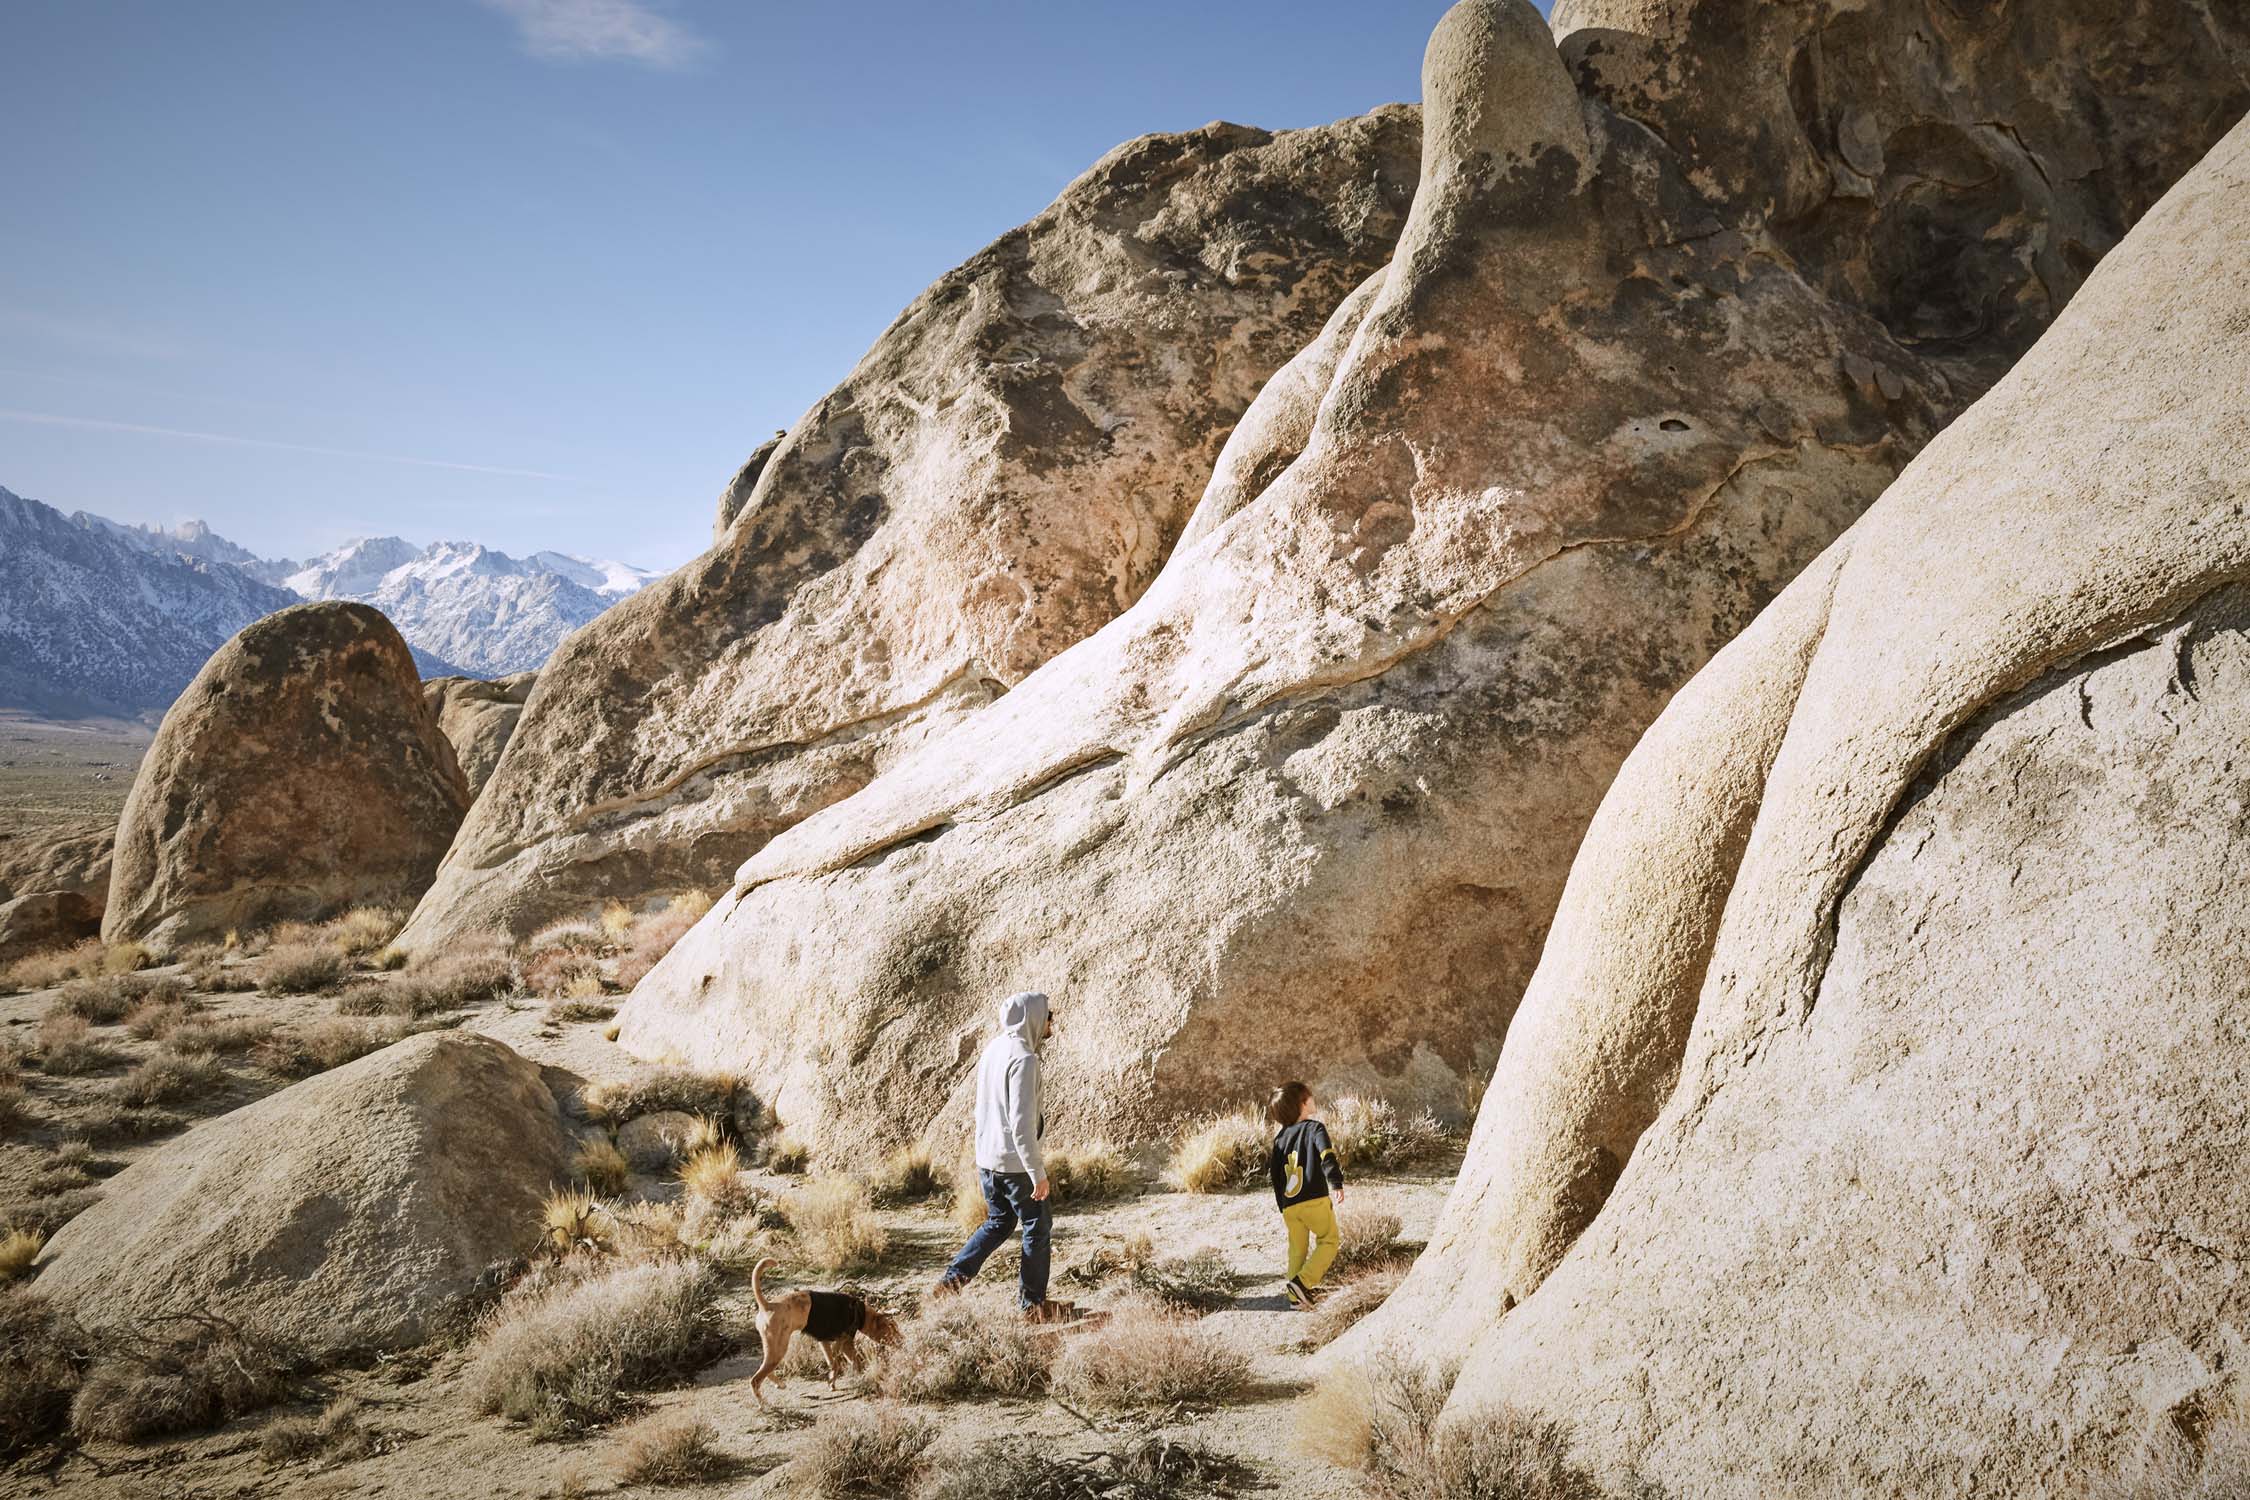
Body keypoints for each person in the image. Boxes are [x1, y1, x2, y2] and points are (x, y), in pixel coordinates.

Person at [933, 990, 1068, 1320]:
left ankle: (950, 1283)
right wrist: (1037, 1172)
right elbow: (1021, 1124)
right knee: (1038, 1227)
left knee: (999, 1222)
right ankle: (1033, 1306)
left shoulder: (995, 1048)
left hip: (989, 1161)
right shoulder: (1024, 1059)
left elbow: (982, 1109)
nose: (1052, 1021)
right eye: (1049, 1015)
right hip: (1015, 1164)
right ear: (1033, 1018)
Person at [1267, 1080, 1345, 1308]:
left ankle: (1295, 1300)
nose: (1313, 1098)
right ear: (1302, 1103)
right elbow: (1326, 1155)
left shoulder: (1279, 1139)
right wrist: (1336, 1182)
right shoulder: (1314, 1128)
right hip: (1314, 1199)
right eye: (1309, 1096)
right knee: (1329, 1240)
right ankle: (1303, 1283)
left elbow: (1275, 1176)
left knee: (1297, 1250)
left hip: (1290, 1205)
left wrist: (1283, 1205)